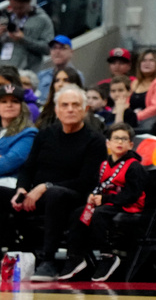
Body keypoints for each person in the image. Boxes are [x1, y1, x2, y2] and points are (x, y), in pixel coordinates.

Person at [1, 85, 106, 281]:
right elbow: (28, 168)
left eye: (76, 105)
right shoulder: (45, 134)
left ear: (85, 110)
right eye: (64, 105)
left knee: (55, 194)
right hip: (37, 197)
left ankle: (48, 261)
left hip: (72, 197)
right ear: (56, 110)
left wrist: (45, 187)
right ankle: (14, 252)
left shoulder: (95, 140)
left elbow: (87, 181)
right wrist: (21, 189)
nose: (70, 109)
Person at [57, 123, 147, 282]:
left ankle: (108, 256)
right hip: (107, 203)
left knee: (99, 215)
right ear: (108, 143)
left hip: (127, 205)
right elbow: (97, 185)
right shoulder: (103, 164)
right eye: (116, 139)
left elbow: (133, 193)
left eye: (124, 139)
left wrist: (105, 199)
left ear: (131, 144)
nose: (119, 142)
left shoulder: (134, 166)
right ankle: (76, 255)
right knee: (78, 214)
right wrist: (93, 195)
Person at [0, 0, 55, 71]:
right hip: (4, 70)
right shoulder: (7, 18)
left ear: (29, 1)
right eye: (14, 8)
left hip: (27, 73)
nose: (17, 11)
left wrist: (23, 39)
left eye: (21, 8)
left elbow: (48, 49)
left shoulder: (43, 20)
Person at [0, 83, 37, 187]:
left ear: (22, 107)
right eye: (4, 101)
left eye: (14, 101)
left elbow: (10, 162)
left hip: (10, 182)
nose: (9, 105)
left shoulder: (29, 133)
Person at [130, 48, 156, 124]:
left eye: (151, 60)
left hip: (152, 124)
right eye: (143, 60)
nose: (147, 63)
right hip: (131, 123)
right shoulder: (135, 83)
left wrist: (135, 117)